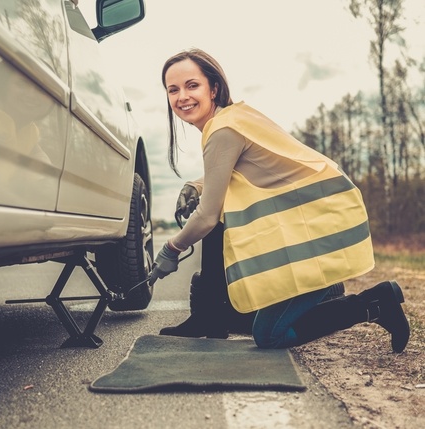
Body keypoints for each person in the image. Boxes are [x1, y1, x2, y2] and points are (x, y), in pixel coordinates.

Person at [148, 48, 410, 353]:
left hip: (318, 232)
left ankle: (373, 303)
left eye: (192, 85)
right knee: (245, 300)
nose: (182, 97)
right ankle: (212, 316)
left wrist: (171, 249)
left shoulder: (223, 130)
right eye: (173, 89)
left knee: (269, 335)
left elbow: (207, 216)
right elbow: (237, 172)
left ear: (214, 88)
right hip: (319, 224)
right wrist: (196, 185)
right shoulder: (234, 118)